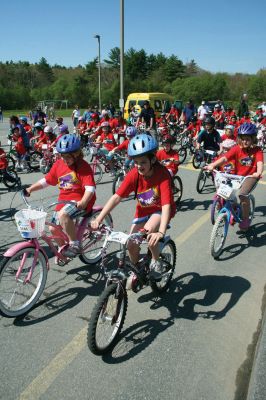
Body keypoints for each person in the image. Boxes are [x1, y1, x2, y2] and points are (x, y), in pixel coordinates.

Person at [91, 134, 176, 280]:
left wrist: (161, 232)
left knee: (149, 235)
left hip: (160, 210)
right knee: (131, 243)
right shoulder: (134, 175)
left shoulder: (162, 174)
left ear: (153, 159)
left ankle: (157, 261)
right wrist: (99, 218)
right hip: (142, 211)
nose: (138, 166)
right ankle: (137, 270)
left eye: (143, 162)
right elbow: (116, 197)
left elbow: (166, 205)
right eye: (135, 162)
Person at [24, 134, 96, 257]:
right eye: (62, 156)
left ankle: (75, 244)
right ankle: (64, 250)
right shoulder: (59, 164)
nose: (64, 159)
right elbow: (47, 181)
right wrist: (30, 189)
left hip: (80, 200)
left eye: (68, 156)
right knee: (52, 228)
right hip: (63, 201)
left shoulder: (83, 166)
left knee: (63, 215)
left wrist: (84, 201)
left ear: (77, 153)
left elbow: (90, 188)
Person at [205, 123, 264, 231]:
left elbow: (260, 162)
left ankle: (245, 219)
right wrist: (213, 165)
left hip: (250, 177)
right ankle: (234, 209)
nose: (245, 141)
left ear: (253, 139)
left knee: (242, 194)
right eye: (243, 139)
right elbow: (224, 158)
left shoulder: (257, 150)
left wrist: (258, 172)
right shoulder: (237, 149)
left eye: (248, 139)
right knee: (224, 191)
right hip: (236, 176)